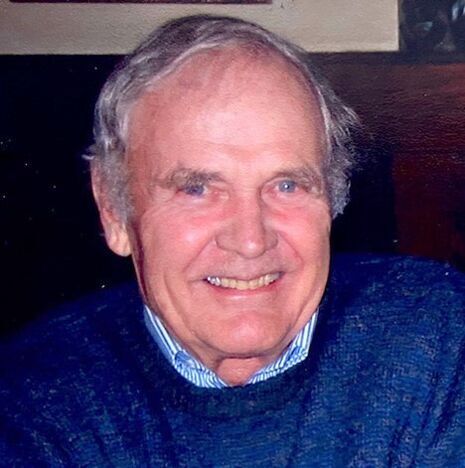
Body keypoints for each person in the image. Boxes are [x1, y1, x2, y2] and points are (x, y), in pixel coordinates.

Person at [1, 15, 465, 466]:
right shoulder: (33, 402)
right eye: (197, 189)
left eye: (287, 185)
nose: (250, 241)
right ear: (113, 208)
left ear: (332, 197)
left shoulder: (436, 334)